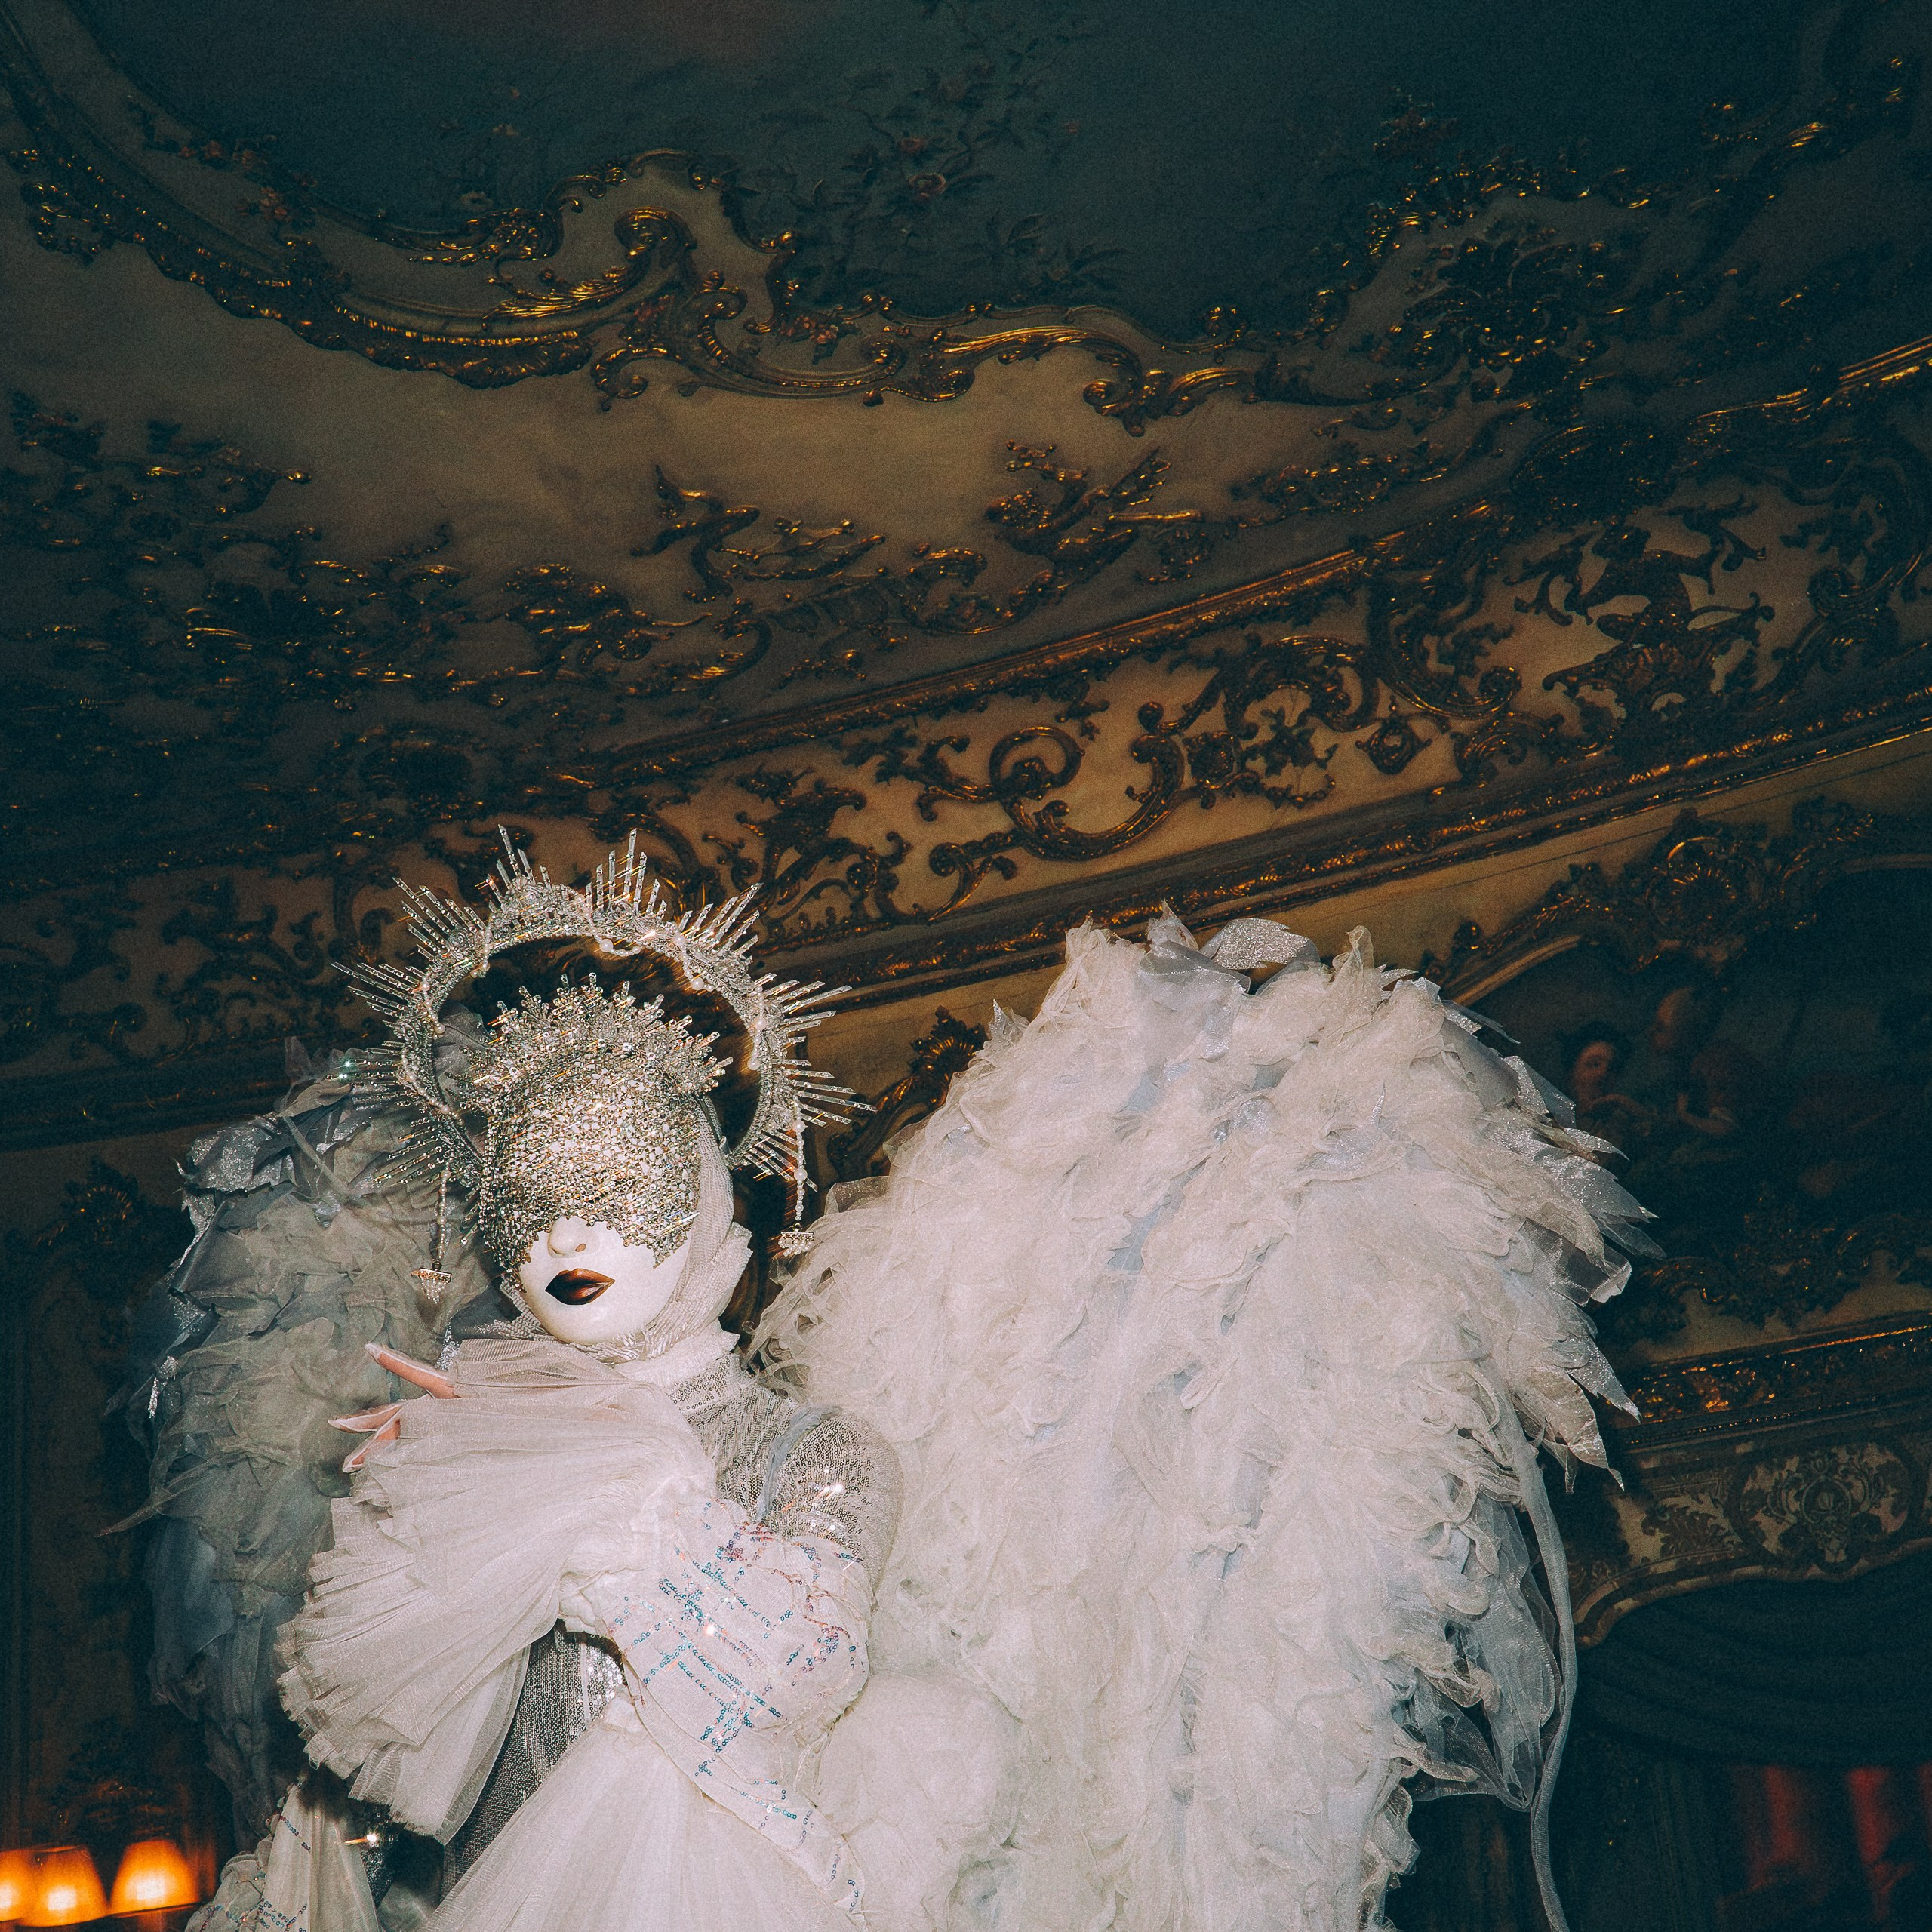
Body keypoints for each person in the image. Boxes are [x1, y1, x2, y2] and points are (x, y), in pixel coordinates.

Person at [136, 838, 1655, 1932]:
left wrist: (616, 1526)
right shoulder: (449, 1437)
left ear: (709, 1208)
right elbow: (391, 1773)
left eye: (617, 1186)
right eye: (533, 1202)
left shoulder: (815, 1443)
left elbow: (789, 1681)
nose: (571, 1235)